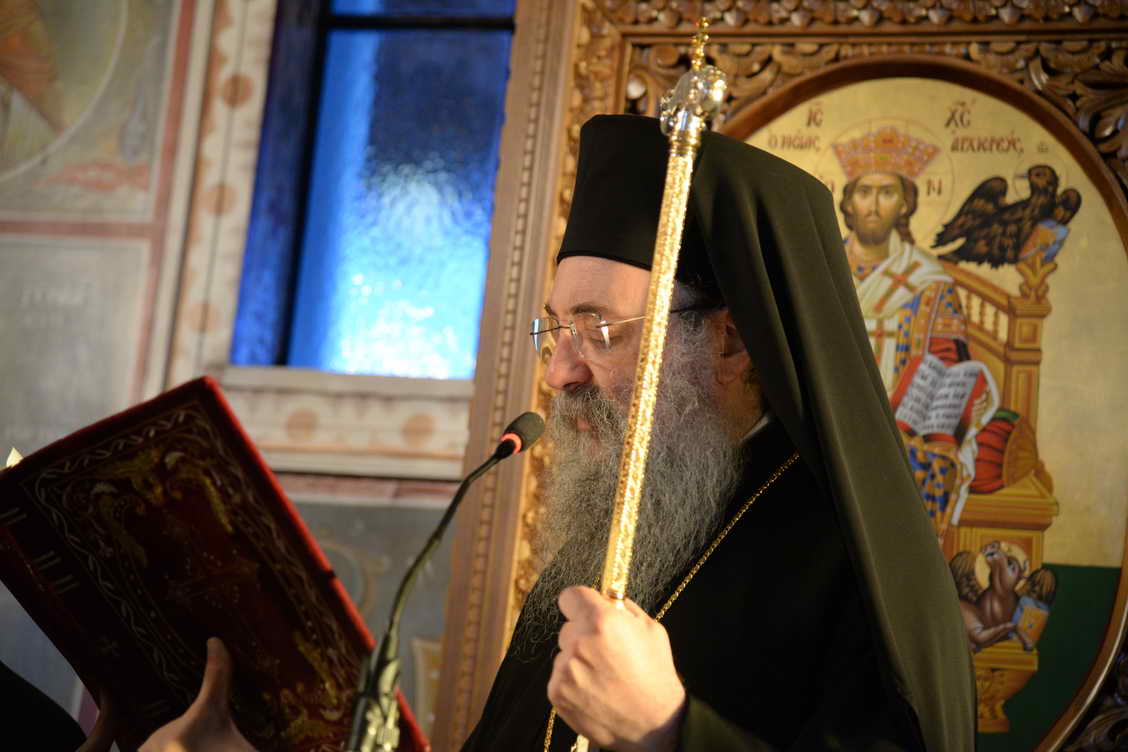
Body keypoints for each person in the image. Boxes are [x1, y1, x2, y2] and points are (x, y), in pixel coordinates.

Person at [142, 115, 976, 751]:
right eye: (555, 330)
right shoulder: (613, 537)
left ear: (729, 342)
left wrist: (668, 732)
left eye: (598, 329)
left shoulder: (854, 566)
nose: (561, 373)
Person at [832, 125, 997, 541]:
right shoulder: (821, 269)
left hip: (903, 426)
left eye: (887, 193)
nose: (873, 206)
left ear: (905, 203)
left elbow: (947, 363)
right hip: (829, 414)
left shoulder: (929, 281)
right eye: (864, 192)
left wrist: (965, 401)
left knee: (926, 466)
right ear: (848, 202)